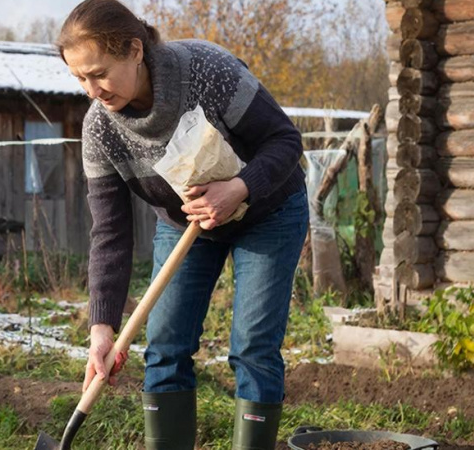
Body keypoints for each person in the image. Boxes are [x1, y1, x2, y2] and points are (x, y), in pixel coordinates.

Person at [57, 0, 309, 448]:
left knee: (253, 347)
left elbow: (285, 141)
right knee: (166, 347)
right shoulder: (100, 130)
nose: (92, 89)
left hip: (269, 208)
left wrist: (239, 187)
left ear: (134, 50)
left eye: (98, 73)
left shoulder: (208, 73)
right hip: (187, 223)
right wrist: (102, 330)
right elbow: (110, 233)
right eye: (79, 78)